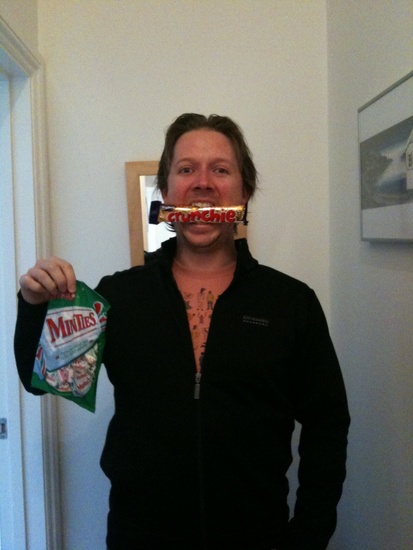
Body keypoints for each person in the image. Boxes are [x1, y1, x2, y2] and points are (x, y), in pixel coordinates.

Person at [14, 113, 350, 550]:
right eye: (186, 169)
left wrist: (309, 536)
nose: (202, 183)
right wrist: (33, 306)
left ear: (244, 192)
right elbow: (43, 380)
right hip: (140, 537)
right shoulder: (118, 296)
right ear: (167, 191)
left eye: (221, 170)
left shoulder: (290, 303)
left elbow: (327, 424)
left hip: (258, 537)